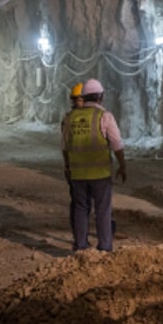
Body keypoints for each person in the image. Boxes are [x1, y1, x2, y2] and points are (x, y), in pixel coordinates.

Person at [61, 78, 127, 251]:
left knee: (80, 209)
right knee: (103, 211)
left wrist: (68, 167)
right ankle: (104, 248)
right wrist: (122, 165)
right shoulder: (105, 116)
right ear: (100, 97)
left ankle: (80, 247)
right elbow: (117, 144)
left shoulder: (70, 118)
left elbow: (65, 146)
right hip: (100, 173)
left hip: (78, 174)